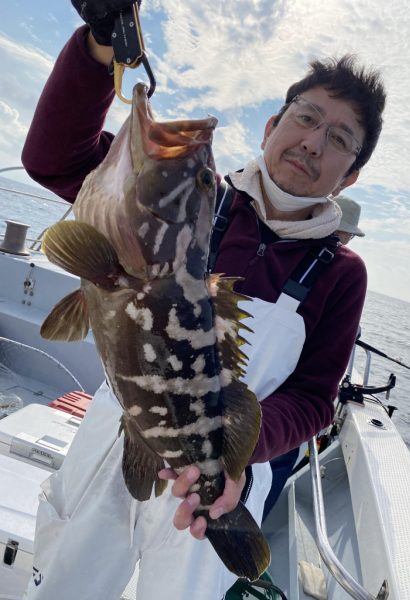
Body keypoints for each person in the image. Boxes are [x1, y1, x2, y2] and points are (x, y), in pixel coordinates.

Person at [21, 2, 386, 598]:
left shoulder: (341, 274)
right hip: (111, 435)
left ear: (350, 176)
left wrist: (236, 456)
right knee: (63, 583)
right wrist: (98, 47)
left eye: (339, 138)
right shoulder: (187, 199)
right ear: (273, 126)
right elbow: (52, 158)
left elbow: (317, 399)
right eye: (306, 117)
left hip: (223, 480)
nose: (313, 142)